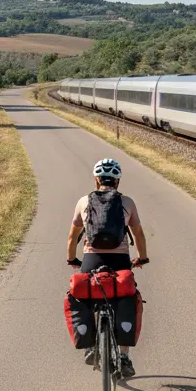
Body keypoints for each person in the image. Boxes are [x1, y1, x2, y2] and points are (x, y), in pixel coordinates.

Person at [67, 158, 148, 377]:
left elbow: (73, 236)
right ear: (117, 181)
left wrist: (72, 259)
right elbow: (138, 234)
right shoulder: (127, 203)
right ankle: (123, 356)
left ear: (96, 179)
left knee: (85, 295)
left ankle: (92, 346)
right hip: (120, 260)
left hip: (91, 259)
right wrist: (142, 257)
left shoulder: (83, 202)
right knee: (126, 298)